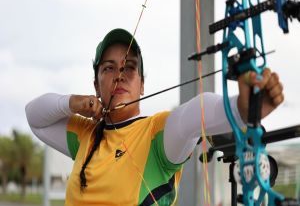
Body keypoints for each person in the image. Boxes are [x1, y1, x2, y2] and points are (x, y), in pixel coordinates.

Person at [25, 28, 284, 206]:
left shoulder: (155, 134)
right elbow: (34, 116)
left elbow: (192, 116)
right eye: (109, 68)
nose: (120, 75)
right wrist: (73, 102)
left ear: (142, 85)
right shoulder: (85, 135)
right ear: (96, 84)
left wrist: (241, 108)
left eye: (130, 68)